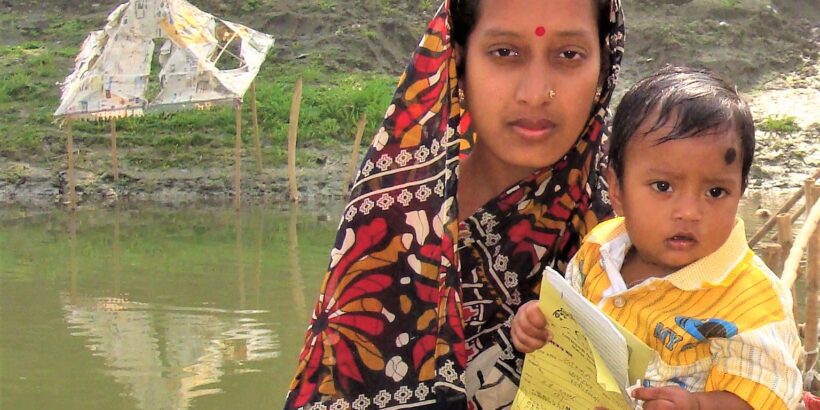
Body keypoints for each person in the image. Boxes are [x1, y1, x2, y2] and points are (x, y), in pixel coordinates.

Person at [285, 0, 625, 408]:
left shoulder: (645, 226)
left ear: (603, 68)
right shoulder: (393, 229)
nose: (537, 93)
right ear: (458, 64)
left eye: (569, 55)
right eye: (505, 53)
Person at [511, 66, 803, 409]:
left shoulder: (752, 302)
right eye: (663, 187)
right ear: (617, 189)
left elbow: (765, 395)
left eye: (716, 191)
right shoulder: (598, 250)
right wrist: (537, 325)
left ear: (740, 192)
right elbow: (568, 330)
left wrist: (697, 405)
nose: (689, 211)